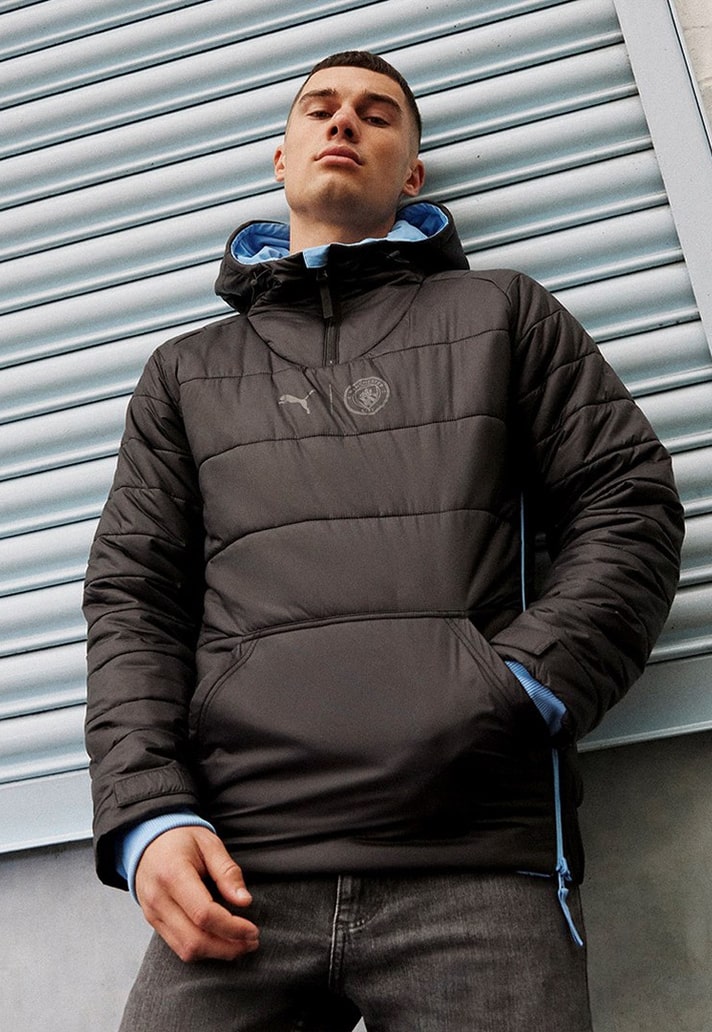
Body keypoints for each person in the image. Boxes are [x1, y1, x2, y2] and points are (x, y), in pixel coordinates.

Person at [83, 51, 684, 1031]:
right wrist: (147, 811)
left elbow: (628, 502)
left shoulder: (502, 312)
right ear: (282, 157)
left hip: (476, 857)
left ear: (412, 171)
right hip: (242, 866)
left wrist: (519, 687)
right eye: (320, 109)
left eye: (376, 113)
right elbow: (134, 600)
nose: (344, 123)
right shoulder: (186, 373)